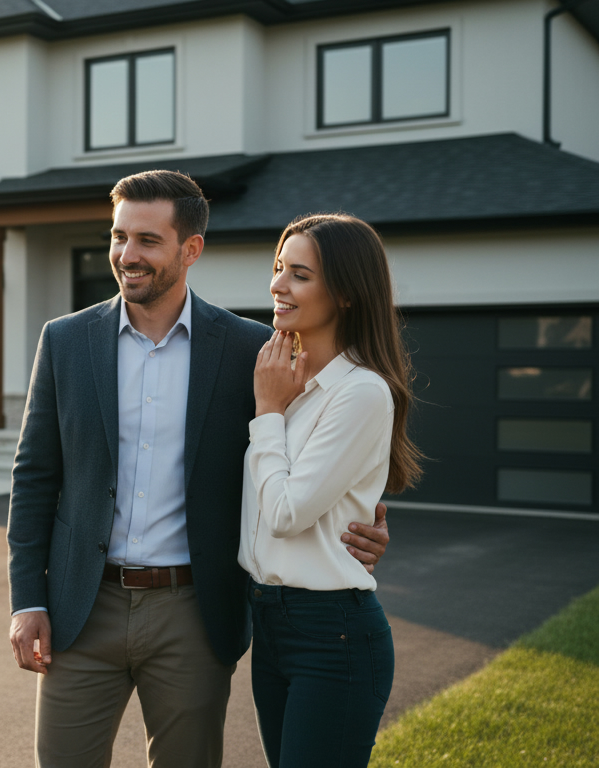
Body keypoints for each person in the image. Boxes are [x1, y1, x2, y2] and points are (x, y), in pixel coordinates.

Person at [6, 170, 391, 767]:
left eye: (147, 241)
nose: (126, 255)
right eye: (118, 236)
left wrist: (364, 522)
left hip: (194, 611)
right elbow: (33, 479)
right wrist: (27, 599)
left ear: (191, 249)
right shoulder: (65, 341)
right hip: (81, 609)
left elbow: (320, 451)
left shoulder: (252, 350)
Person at [244, 213, 420, 767]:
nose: (278, 285)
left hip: (331, 635)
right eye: (278, 269)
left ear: (344, 293)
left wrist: (268, 411)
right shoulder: (285, 377)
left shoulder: (361, 391)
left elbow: (287, 512)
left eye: (300, 274)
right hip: (268, 622)